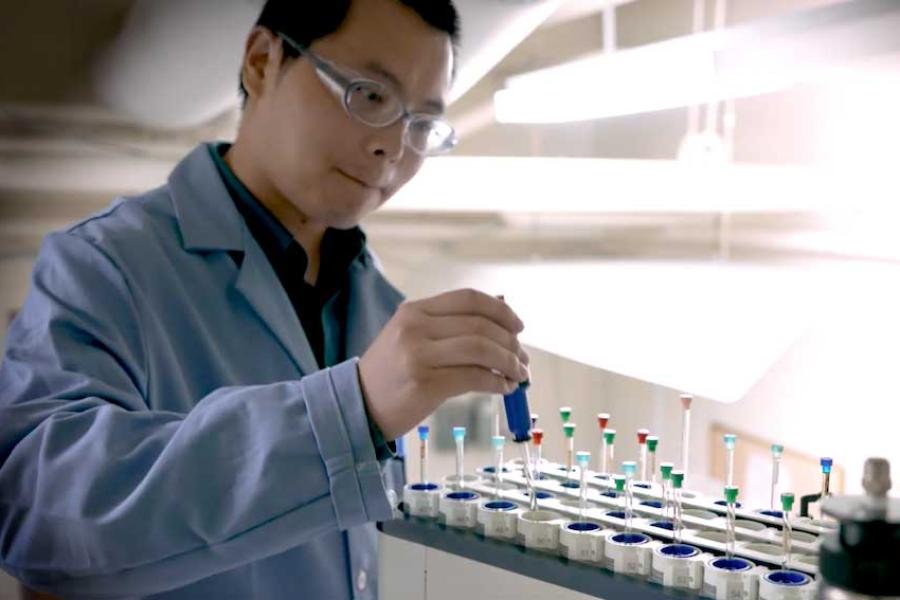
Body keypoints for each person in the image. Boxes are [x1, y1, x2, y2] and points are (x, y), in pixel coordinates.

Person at [0, 0, 531, 597]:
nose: (393, 148)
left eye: (421, 124)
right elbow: (38, 520)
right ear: (261, 62)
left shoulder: (379, 303)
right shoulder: (103, 265)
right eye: (369, 95)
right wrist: (350, 413)